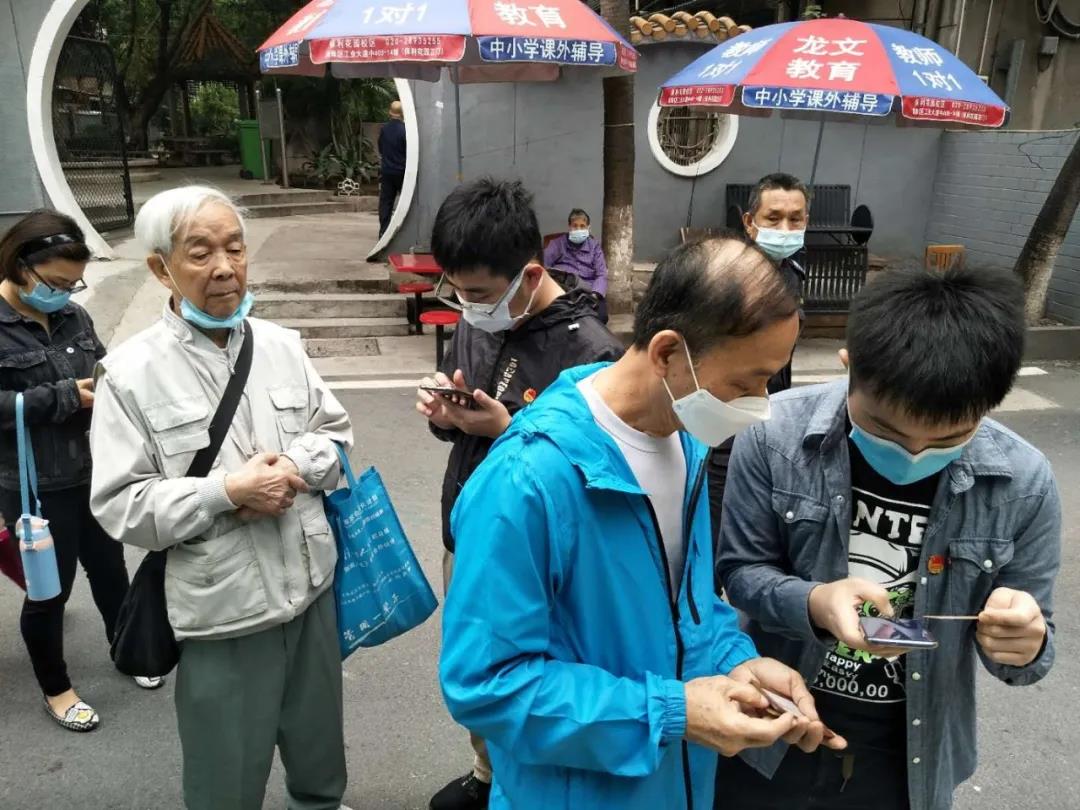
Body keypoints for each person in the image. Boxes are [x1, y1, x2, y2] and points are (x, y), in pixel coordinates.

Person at [439, 236, 847, 810]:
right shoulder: (526, 481)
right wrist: (673, 712)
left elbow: (691, 612)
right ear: (667, 353)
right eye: (746, 383)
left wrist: (741, 664)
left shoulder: (686, 440)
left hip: (679, 786)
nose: (760, 406)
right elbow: (486, 685)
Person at [715, 265, 1061, 810]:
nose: (914, 454)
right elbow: (739, 572)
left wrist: (1024, 643)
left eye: (948, 438)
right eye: (885, 431)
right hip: (772, 722)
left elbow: (1031, 648)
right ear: (849, 365)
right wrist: (815, 602)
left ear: (991, 403)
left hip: (909, 756)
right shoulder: (773, 435)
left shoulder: (1024, 482)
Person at [89, 187, 354, 810]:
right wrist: (225, 491)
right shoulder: (129, 374)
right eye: (201, 252)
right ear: (161, 268)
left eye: (235, 248)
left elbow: (335, 433)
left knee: (321, 760)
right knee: (225, 781)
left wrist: (295, 465)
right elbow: (121, 504)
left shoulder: (282, 344)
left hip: (310, 592)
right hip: (221, 614)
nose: (225, 268)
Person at [417, 178, 623, 810]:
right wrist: (446, 416)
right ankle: (486, 773)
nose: (466, 306)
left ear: (531, 275)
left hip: (541, 556)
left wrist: (507, 429)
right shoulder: (481, 315)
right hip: (468, 528)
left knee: (531, 678)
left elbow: (601, 474)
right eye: (456, 290)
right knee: (477, 670)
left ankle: (524, 786)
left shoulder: (592, 351)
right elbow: (460, 403)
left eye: (478, 293)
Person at [0, 210, 163, 734]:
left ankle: (126, 647)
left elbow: (104, 368)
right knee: (50, 591)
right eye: (55, 283)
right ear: (20, 265)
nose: (65, 294)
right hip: (34, 486)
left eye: (73, 284)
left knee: (110, 569)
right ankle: (57, 689)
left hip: (93, 472)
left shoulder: (74, 316)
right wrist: (65, 396)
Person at [708, 173, 811, 551]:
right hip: (724, 427)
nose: (785, 229)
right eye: (774, 218)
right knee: (718, 532)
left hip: (771, 419)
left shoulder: (793, 275)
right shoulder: (725, 278)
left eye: (795, 219)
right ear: (750, 223)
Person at [542, 208, 609, 322]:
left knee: (601, 317)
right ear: (569, 227)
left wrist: (594, 295)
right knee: (557, 319)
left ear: (588, 228)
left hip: (588, 291)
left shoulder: (594, 247)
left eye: (582, 226)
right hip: (563, 290)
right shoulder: (557, 244)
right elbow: (543, 266)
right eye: (575, 226)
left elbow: (601, 274)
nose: (578, 229)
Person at [378, 100, 407, 236]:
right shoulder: (405, 130)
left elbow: (381, 148)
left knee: (386, 202)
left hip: (387, 171)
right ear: (402, 113)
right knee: (405, 201)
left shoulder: (384, 129)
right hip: (402, 172)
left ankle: (383, 232)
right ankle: (402, 231)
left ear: (390, 112)